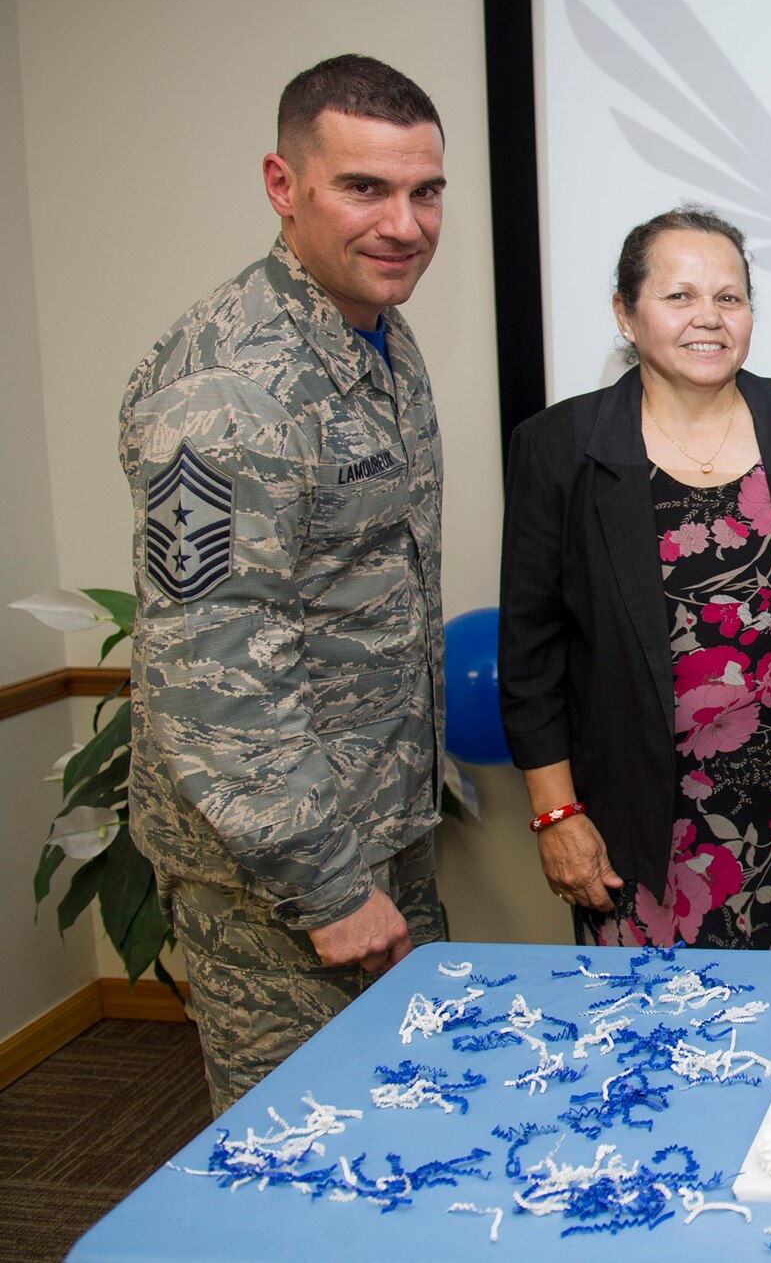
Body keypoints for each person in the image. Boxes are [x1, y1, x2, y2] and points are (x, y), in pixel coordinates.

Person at [119, 55, 448, 1112]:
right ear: (283, 184)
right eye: (364, 188)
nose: (403, 223)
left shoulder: (379, 338)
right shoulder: (228, 392)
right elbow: (211, 675)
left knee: (401, 1127)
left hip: (375, 829)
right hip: (280, 881)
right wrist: (327, 884)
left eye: (424, 190)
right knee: (298, 1156)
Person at [499, 208, 771, 951]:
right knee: (654, 1047)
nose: (708, 319)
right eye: (679, 296)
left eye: (730, 297)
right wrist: (555, 815)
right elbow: (530, 654)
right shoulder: (560, 448)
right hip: (640, 834)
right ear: (625, 313)